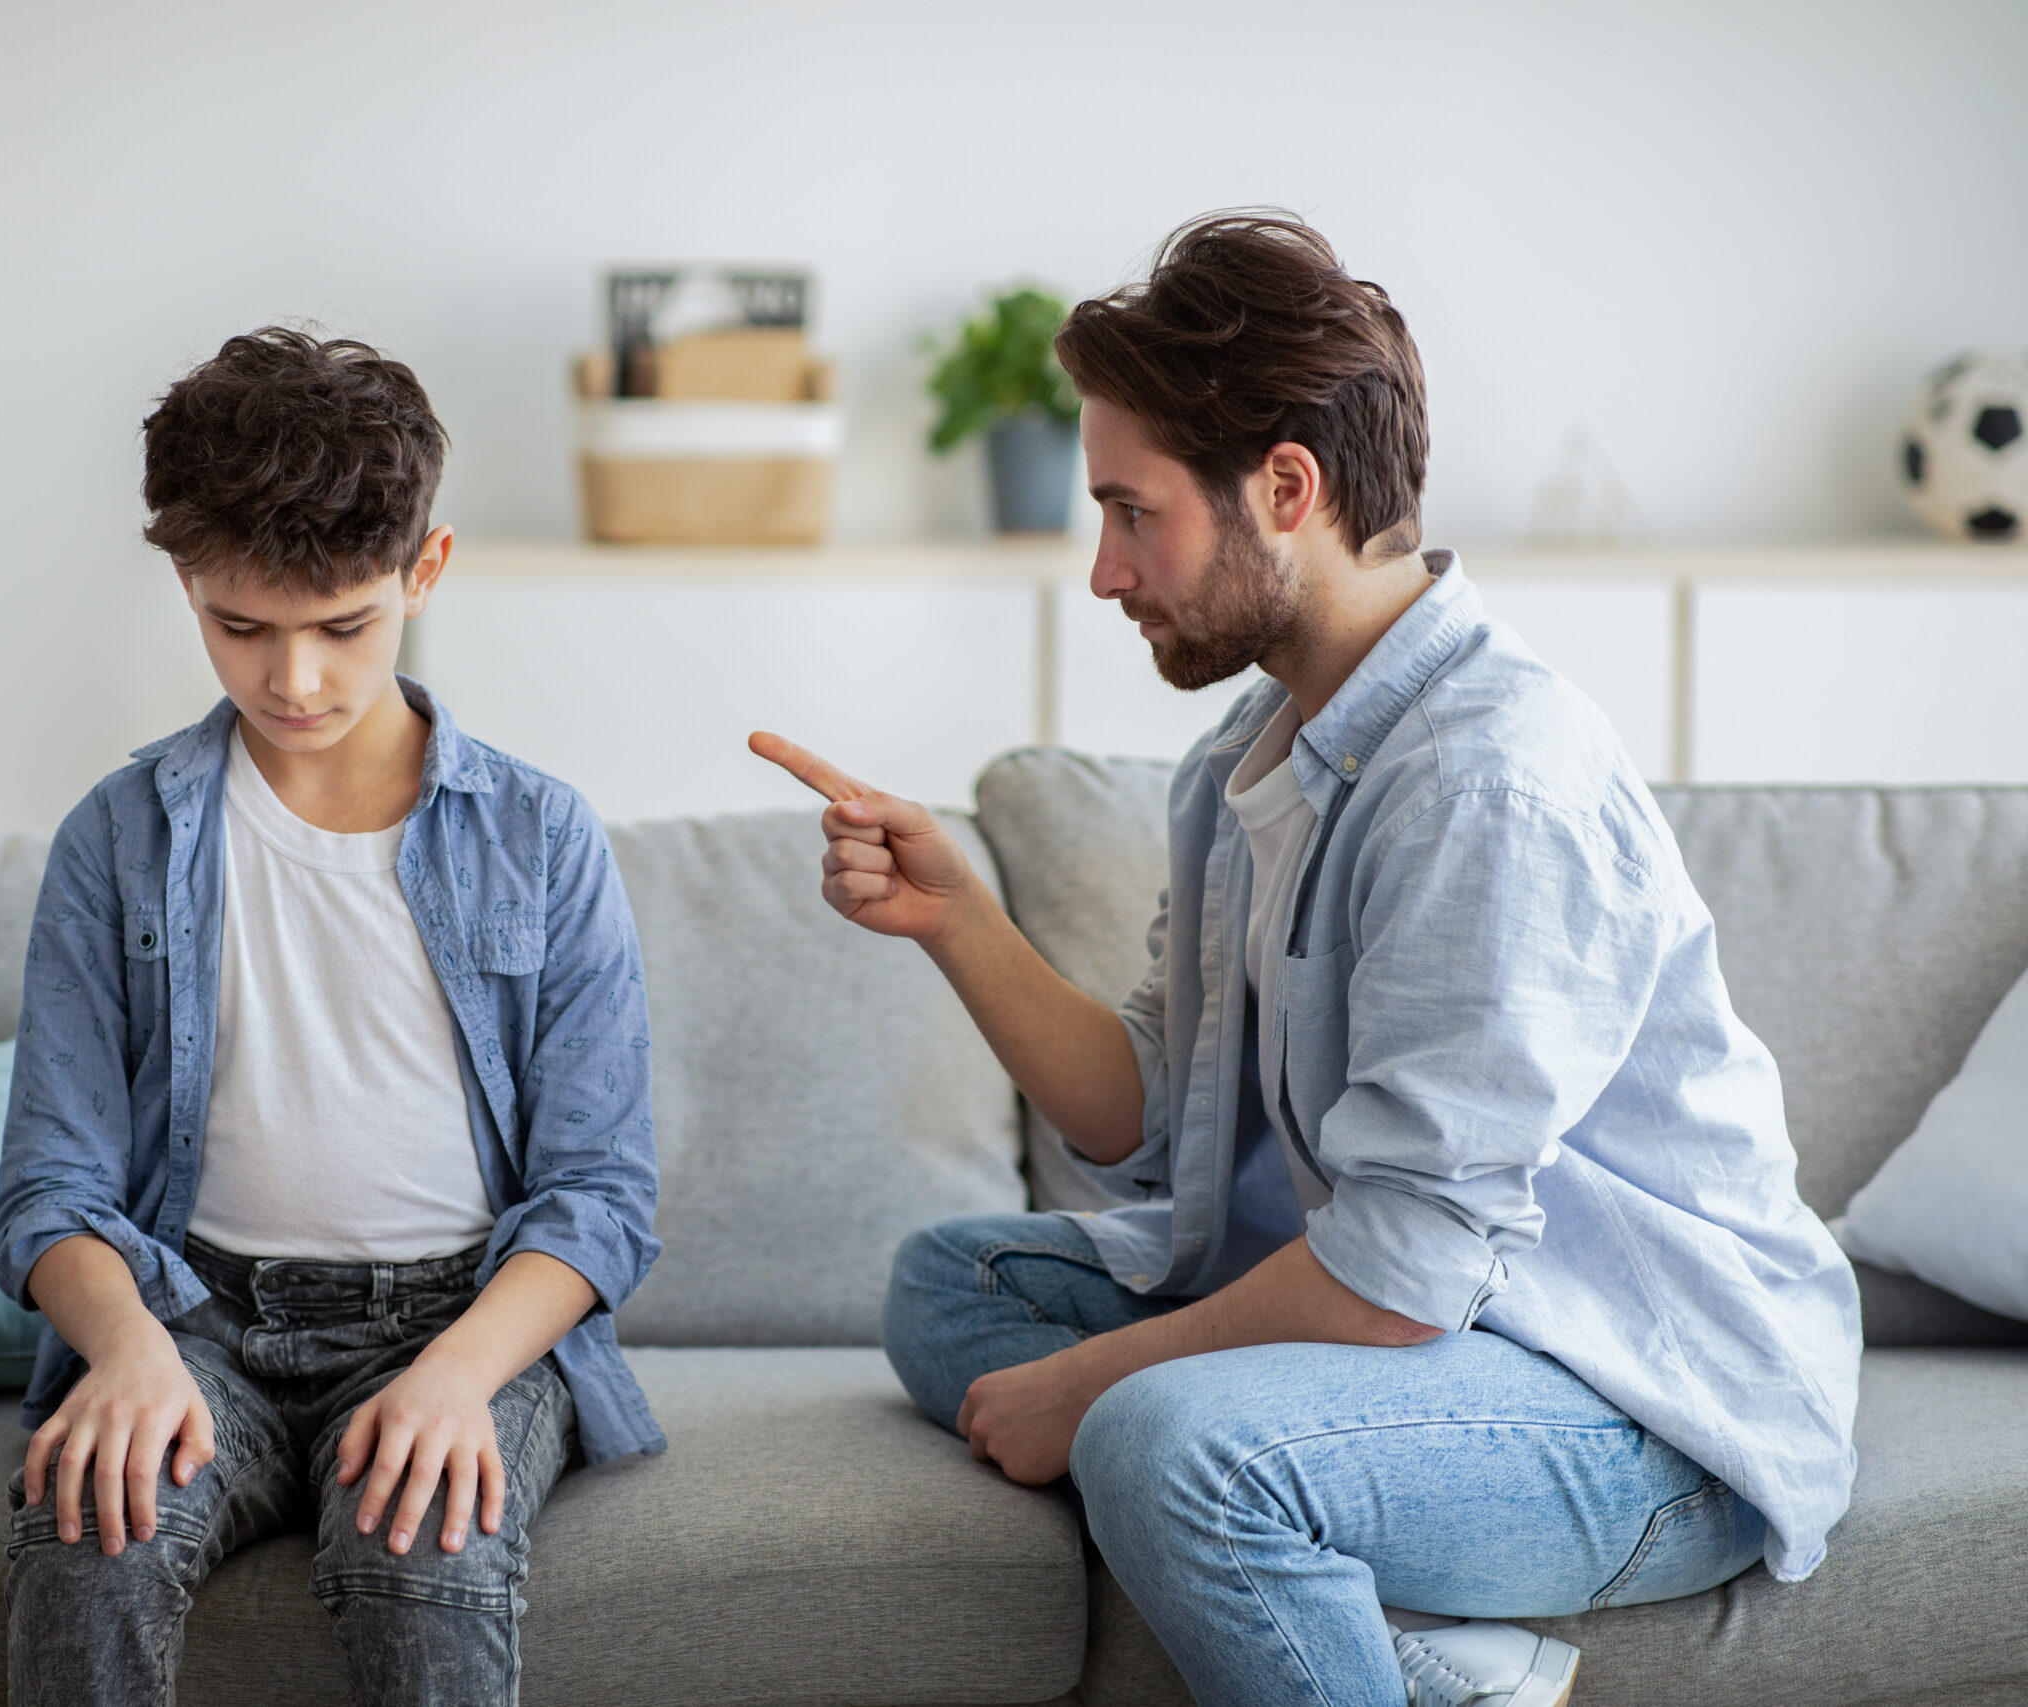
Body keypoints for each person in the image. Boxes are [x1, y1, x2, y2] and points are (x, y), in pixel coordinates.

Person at [751, 213, 1858, 1707]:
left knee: (1158, 1438)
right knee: (949, 1290)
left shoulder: (1490, 780)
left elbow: (1403, 1275)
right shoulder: (1244, 759)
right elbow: (1144, 1119)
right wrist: (961, 919)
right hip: (1433, 1333)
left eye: (1131, 513)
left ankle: (1287, 1558)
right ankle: (1398, 1641)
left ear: (1286, 489)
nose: (1101, 572)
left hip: (1633, 1405)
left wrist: (1096, 1388)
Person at [0, 327, 662, 1707]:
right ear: (186, 581)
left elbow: (601, 1197)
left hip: (455, 1315)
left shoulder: (540, 837)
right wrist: (124, 1353)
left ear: (427, 570)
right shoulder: (116, 843)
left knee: (421, 1552)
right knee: (86, 1531)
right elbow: (50, 1187)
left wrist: (461, 1376)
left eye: (343, 626)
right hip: (197, 1315)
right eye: (243, 627)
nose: (294, 682)